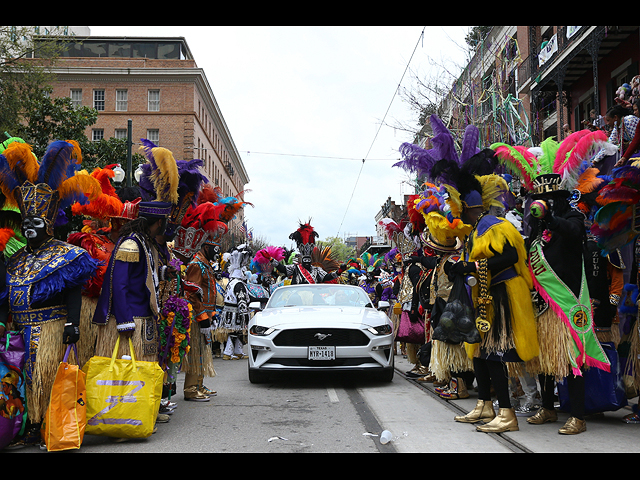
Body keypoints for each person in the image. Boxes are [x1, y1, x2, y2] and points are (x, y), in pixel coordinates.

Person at [493, 130, 611, 435]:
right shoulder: (536, 228)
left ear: (558, 198)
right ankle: (547, 407)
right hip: (543, 302)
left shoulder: (572, 217)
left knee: (572, 359)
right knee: (545, 358)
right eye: (540, 199)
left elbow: (573, 234)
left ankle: (579, 416)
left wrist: (550, 220)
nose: (542, 203)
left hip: (568, 299)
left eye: (548, 199)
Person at [0, 140, 102, 448]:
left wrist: (72, 323)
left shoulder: (66, 255)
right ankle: (28, 426)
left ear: (47, 224)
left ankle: (48, 425)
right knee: (24, 379)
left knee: (46, 378)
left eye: (35, 222)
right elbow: (5, 296)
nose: (29, 227)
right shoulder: (15, 259)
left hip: (50, 330)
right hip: (20, 330)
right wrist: (4, 322)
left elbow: (73, 288)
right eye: (26, 222)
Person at [432, 151, 539, 433]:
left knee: (494, 353)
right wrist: (463, 268)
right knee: (479, 352)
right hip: (486, 296)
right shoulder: (476, 229)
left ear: (466, 206)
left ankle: (507, 413)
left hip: (501, 295)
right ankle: (485, 404)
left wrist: (471, 266)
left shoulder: (492, 225)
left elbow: (508, 258)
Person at [180, 200, 228, 400]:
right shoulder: (196, 264)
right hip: (198, 317)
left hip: (206, 316)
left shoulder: (206, 263)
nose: (216, 251)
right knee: (196, 353)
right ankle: (191, 390)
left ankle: (199, 384)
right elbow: (192, 293)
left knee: (203, 351)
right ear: (205, 246)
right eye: (214, 247)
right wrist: (202, 316)